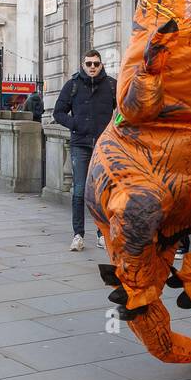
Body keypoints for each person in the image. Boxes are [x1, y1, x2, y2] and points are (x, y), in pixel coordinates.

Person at [53, 49, 115, 250]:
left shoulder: (112, 85)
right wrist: (76, 124)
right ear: (83, 65)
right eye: (89, 64)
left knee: (102, 192)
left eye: (96, 64)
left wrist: (114, 127)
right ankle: (78, 235)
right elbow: (58, 112)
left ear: (101, 64)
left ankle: (101, 234)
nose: (92, 67)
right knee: (79, 191)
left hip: (103, 146)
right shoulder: (72, 85)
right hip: (80, 144)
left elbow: (123, 111)